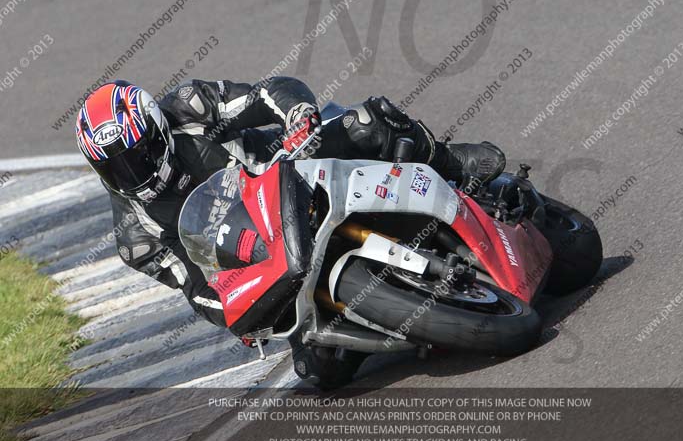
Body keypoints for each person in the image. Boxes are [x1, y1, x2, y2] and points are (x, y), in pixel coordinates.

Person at [75, 76, 506, 337]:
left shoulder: (191, 106)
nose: (132, 174)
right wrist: (236, 315)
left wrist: (297, 116)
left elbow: (266, 94)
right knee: (320, 371)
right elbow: (200, 291)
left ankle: (447, 162)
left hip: (294, 171)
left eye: (136, 157)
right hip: (265, 257)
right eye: (114, 168)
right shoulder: (136, 238)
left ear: (156, 131)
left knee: (368, 122)